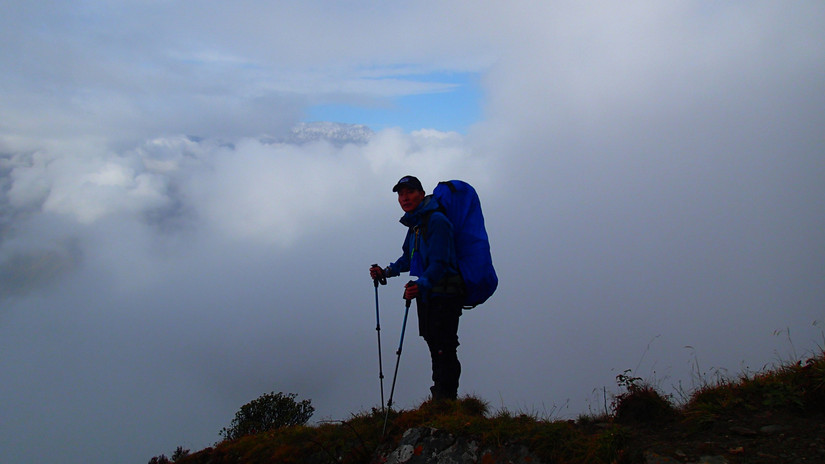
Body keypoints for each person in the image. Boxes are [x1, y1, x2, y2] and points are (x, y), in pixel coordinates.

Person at [370, 175, 465, 401]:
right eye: (401, 194)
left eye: (410, 192)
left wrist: (420, 285)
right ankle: (441, 397)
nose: (405, 198)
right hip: (428, 293)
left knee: (443, 345)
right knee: (434, 342)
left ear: (421, 194)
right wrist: (387, 271)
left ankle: (445, 399)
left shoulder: (437, 221)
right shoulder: (416, 224)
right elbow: (409, 258)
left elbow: (440, 263)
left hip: (445, 293)